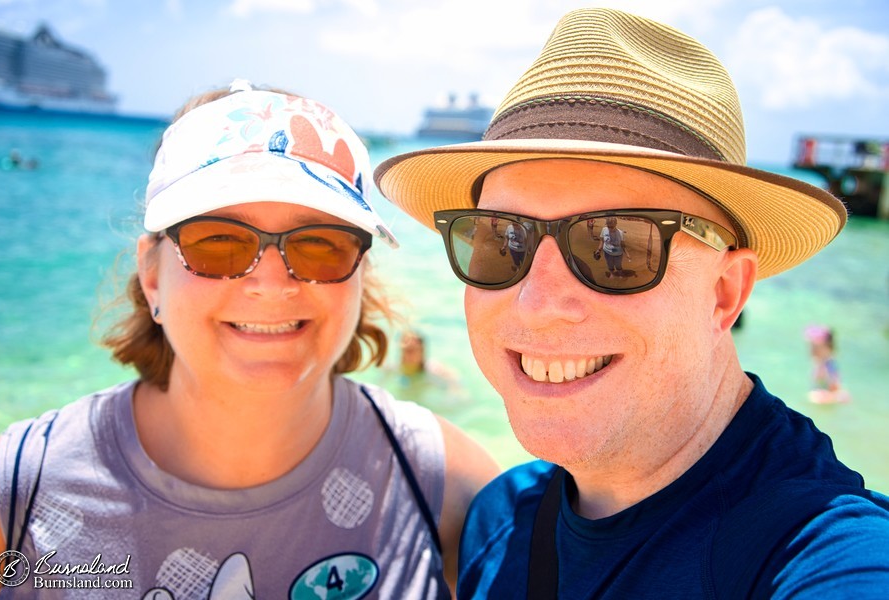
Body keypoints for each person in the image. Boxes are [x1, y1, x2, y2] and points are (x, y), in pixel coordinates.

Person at [374, 8, 889, 598]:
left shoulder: (820, 555)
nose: (538, 302)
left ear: (726, 293)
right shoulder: (499, 524)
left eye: (612, 246)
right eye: (500, 241)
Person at [0, 80, 498, 598]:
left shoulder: (443, 487)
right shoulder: (16, 495)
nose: (271, 285)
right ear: (150, 275)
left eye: (320, 245)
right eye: (220, 242)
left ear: (360, 275)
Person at [804, 324, 852, 404]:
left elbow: (835, 387)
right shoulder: (818, 362)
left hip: (827, 397)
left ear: (828, 348)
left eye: (815, 348)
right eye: (811, 347)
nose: (812, 351)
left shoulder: (829, 365)